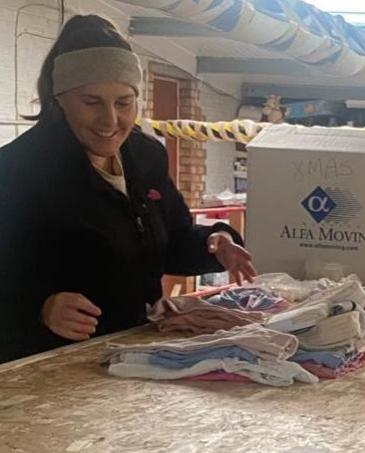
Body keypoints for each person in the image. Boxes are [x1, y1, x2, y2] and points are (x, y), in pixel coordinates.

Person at [0, 15, 256, 363]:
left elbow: (173, 241)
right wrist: (40, 307)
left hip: (136, 349)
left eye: (124, 103)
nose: (110, 120)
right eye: (91, 102)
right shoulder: (18, 169)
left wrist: (216, 243)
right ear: (60, 99)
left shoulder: (146, 156)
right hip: (49, 362)